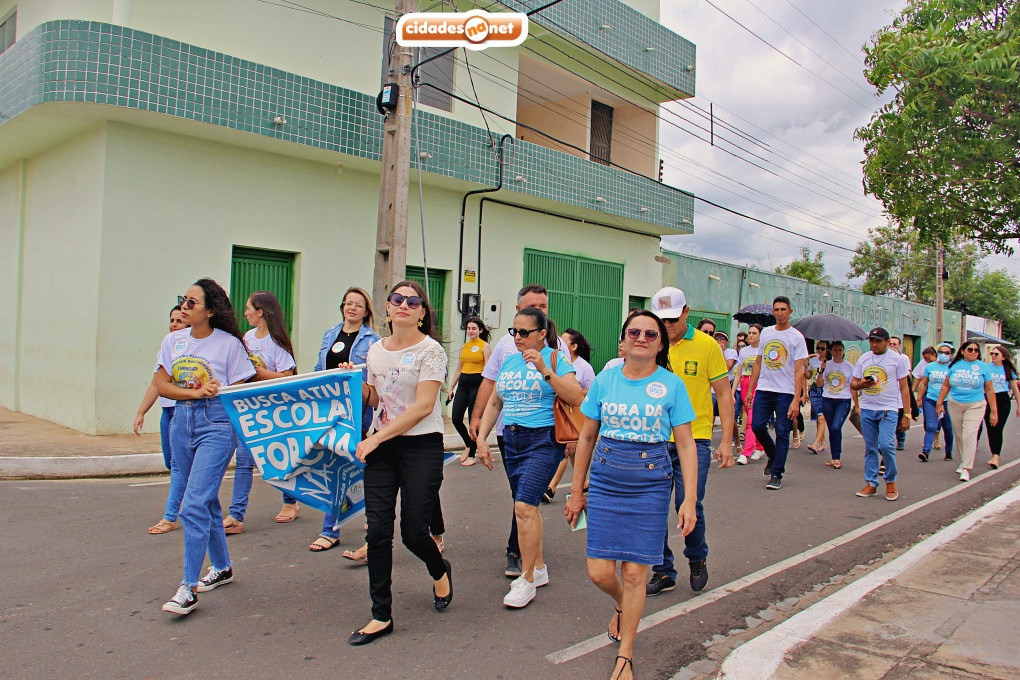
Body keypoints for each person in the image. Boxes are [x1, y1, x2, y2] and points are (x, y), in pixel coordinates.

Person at [565, 311, 698, 680]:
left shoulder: (671, 385)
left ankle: (626, 652)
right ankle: (625, 606)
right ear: (623, 340)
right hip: (607, 480)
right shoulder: (606, 380)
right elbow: (587, 437)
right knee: (599, 572)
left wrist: (688, 500)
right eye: (634, 332)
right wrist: (577, 492)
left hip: (651, 483)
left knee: (637, 573)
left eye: (650, 333)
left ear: (660, 343)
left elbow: (686, 445)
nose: (642, 337)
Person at [348, 281, 451, 646]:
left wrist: (375, 437)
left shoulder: (431, 351)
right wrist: (358, 386)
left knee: (412, 533)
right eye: (397, 300)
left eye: (413, 301)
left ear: (422, 312)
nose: (404, 305)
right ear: (388, 309)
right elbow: (378, 399)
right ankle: (380, 615)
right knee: (376, 532)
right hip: (383, 449)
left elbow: (423, 406)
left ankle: (439, 570)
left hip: (420, 446)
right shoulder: (375, 351)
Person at [156, 278, 256, 615]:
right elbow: (161, 384)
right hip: (181, 423)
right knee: (207, 499)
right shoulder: (174, 341)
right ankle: (223, 566)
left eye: (192, 302)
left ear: (210, 310)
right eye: (183, 300)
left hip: (216, 424)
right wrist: (193, 393)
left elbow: (241, 393)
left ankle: (188, 587)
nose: (185, 306)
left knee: (192, 504)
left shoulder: (229, 345)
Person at [475, 307, 582, 608]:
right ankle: (539, 567)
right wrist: (482, 438)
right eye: (514, 331)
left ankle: (527, 580)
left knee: (524, 506)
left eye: (524, 332)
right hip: (512, 439)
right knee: (526, 506)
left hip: (544, 440)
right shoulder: (509, 362)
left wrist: (545, 371)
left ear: (542, 334)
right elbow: (496, 402)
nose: (518, 338)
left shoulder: (555, 359)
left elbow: (575, 396)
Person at [646, 287, 734, 597]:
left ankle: (697, 557)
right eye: (661, 319)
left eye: (672, 318)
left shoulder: (707, 346)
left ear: (686, 313)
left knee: (690, 502)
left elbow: (723, 392)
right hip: (655, 438)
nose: (666, 325)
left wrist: (726, 441)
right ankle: (663, 569)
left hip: (694, 439)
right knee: (654, 507)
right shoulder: (651, 343)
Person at [306, 287, 381, 553]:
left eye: (358, 305)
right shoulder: (330, 335)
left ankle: (372, 524)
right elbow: (319, 370)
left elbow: (374, 380)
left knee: (360, 466)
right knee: (334, 468)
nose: (352, 308)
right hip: (329, 412)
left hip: (356, 411)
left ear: (365, 311)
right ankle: (331, 529)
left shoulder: (373, 341)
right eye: (348, 303)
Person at [223, 291, 297, 535]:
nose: (245, 313)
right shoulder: (247, 338)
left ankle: (290, 502)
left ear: (261, 311)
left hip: (273, 411)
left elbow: (288, 377)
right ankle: (236, 515)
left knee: (280, 460)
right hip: (250, 409)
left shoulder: (276, 344)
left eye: (248, 308)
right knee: (244, 461)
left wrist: (258, 373)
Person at [135, 304, 190, 534]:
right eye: (172, 320)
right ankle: (196, 500)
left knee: (178, 465)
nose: (174, 325)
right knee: (171, 463)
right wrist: (141, 412)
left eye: (179, 321)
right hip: (167, 412)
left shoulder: (192, 347)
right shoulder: (167, 347)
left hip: (182, 410)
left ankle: (170, 516)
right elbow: (156, 383)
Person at [744, 296, 808, 490]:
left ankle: (777, 473)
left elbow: (799, 370)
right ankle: (773, 455)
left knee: (782, 431)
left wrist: (797, 399)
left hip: (785, 392)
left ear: (790, 312)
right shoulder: (767, 334)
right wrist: (750, 389)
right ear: (773, 312)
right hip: (764, 388)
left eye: (783, 309)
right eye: (777, 309)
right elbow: (758, 362)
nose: (780, 313)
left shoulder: (796, 337)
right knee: (757, 426)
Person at [850, 327, 911, 501]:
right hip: (868, 408)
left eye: (878, 341)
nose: (874, 345)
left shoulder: (896, 359)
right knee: (870, 447)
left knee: (886, 445)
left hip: (888, 409)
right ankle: (871, 483)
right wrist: (862, 384)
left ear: (886, 341)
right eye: (871, 341)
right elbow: (853, 384)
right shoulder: (864, 359)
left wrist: (906, 415)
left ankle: (891, 481)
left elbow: (904, 387)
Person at [544, 328, 597, 502]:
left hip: (576, 416)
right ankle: (582, 484)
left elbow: (593, 391)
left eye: (564, 342)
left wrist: (576, 393)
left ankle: (551, 487)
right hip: (561, 415)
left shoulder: (584, 367)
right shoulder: (559, 362)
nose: (559, 344)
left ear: (573, 346)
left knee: (566, 449)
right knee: (573, 452)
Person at [936, 341, 997, 482]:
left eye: (976, 350)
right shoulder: (955, 365)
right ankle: (964, 460)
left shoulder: (983, 367)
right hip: (955, 403)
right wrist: (939, 403)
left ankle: (967, 468)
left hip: (975, 404)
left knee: (969, 434)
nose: (974, 352)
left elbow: (989, 389)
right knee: (959, 434)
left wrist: (994, 411)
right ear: (963, 351)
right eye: (970, 349)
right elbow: (946, 385)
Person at [448, 316, 491, 466]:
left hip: (477, 385)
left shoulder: (485, 346)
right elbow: (459, 369)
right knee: (456, 418)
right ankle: (469, 444)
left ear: (480, 330)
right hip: (463, 385)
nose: (471, 331)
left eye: (474, 328)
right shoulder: (463, 347)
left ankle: (472, 453)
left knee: (474, 420)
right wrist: (451, 387)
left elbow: (488, 369)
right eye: (468, 328)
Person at [816, 341, 854, 469]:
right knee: (832, 428)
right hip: (828, 399)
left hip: (843, 400)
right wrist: (821, 371)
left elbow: (853, 387)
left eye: (840, 350)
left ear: (843, 351)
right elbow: (819, 384)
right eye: (835, 350)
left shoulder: (849, 367)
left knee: (836, 426)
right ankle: (834, 457)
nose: (838, 353)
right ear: (830, 351)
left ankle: (837, 457)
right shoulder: (827, 365)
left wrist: (857, 405)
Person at [916, 342, 955, 463]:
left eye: (946, 353)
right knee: (931, 426)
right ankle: (926, 452)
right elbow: (924, 383)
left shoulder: (953, 367)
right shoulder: (930, 366)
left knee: (947, 427)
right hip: (930, 400)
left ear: (951, 354)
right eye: (941, 352)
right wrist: (919, 398)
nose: (943, 354)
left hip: (947, 401)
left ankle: (948, 451)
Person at [983, 345, 1020, 469]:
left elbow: (1015, 388)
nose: (993, 356)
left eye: (996, 354)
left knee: (998, 427)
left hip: (1002, 399)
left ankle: (996, 456)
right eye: (991, 354)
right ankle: (993, 452)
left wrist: (1019, 406)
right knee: (990, 427)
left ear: (1003, 357)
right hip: (988, 398)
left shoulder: (1008, 370)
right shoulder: (987, 368)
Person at [736, 324, 765, 465]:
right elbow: (738, 373)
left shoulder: (763, 351)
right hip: (745, 384)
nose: (751, 335)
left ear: (760, 334)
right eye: (749, 333)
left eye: (754, 333)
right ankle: (760, 446)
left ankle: (746, 452)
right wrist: (732, 391)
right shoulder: (744, 351)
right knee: (752, 419)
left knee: (750, 421)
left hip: (758, 385)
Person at [888, 336, 916, 451]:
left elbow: (907, 377)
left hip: (900, 396)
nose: (892, 346)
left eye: (895, 344)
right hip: (889, 399)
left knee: (900, 420)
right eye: (891, 344)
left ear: (899, 346)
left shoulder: (903, 358)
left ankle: (901, 440)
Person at [805, 341, 829, 455]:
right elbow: (808, 375)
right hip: (814, 389)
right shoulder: (814, 361)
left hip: (826, 390)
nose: (820, 351)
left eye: (822, 348)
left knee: (821, 418)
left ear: (827, 350)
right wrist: (805, 365)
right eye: (818, 348)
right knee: (817, 417)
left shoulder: (830, 362)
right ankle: (823, 442)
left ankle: (816, 443)